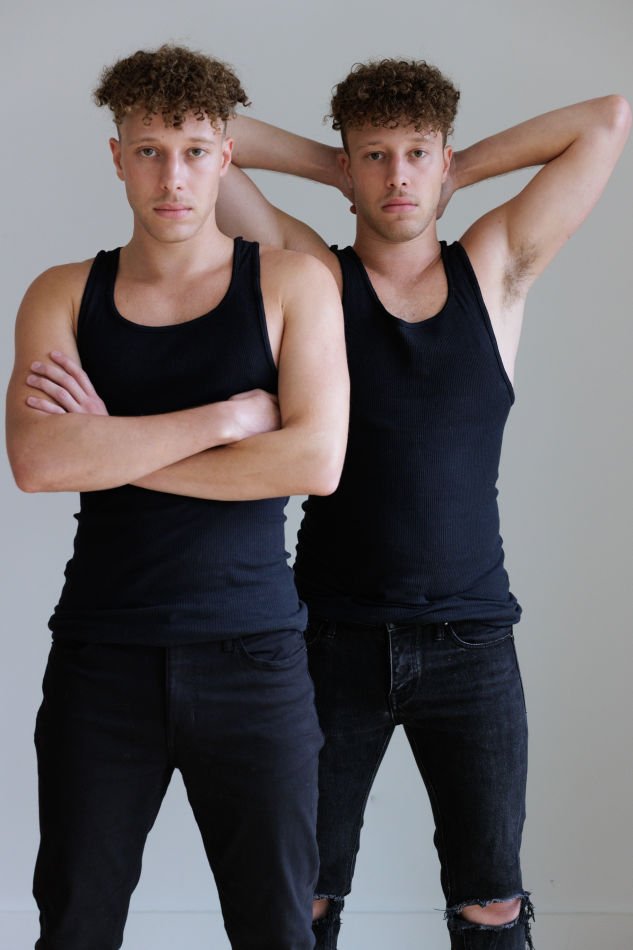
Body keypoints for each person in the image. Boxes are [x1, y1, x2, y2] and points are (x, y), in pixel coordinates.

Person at [26, 59, 631, 949]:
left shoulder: (493, 271)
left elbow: (606, 119)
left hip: (470, 639)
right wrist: (336, 166)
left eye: (416, 154)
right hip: (327, 632)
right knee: (303, 902)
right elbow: (214, 136)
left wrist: (452, 171)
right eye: (374, 157)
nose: (397, 177)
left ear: (443, 159)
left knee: (491, 901)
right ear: (348, 166)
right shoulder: (310, 271)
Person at [5, 44, 348, 950]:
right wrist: (225, 419)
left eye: (195, 151)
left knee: (277, 932)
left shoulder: (292, 285)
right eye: (150, 151)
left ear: (225, 156)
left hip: (254, 657)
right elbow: (38, 460)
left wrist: (110, 446)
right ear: (117, 157)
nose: (173, 176)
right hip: (101, 657)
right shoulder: (62, 295)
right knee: (75, 929)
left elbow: (314, 462)